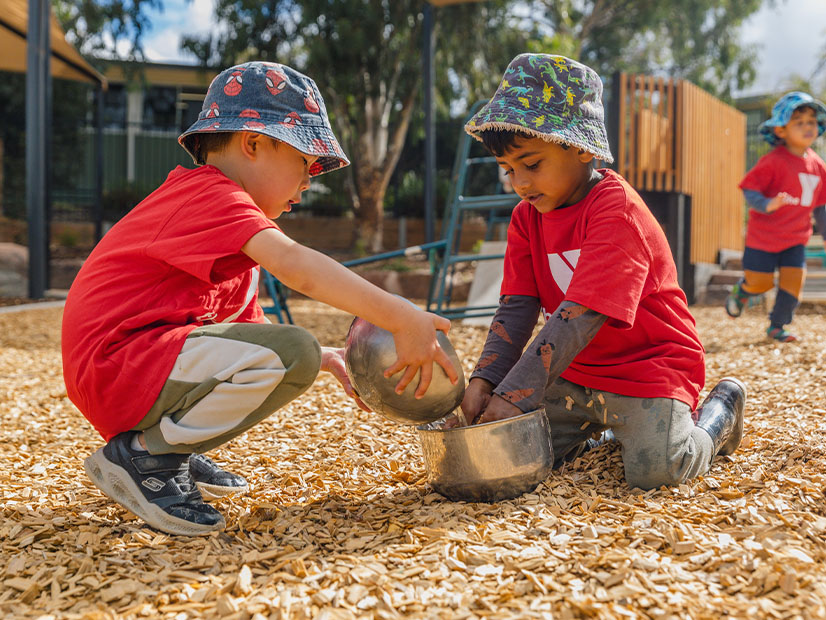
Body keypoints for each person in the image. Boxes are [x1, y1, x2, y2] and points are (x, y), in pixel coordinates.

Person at [62, 61, 459, 536]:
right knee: (296, 353)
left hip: (125, 368)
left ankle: (166, 447)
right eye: (304, 161)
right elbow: (297, 267)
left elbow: (249, 334)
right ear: (253, 143)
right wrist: (400, 315)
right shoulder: (212, 195)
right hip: (118, 365)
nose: (310, 180)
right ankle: (147, 457)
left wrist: (331, 356)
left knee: (294, 352)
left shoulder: (224, 229)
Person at [456, 53, 746, 490]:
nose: (519, 182)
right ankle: (611, 432)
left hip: (649, 367)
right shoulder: (525, 218)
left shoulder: (617, 211)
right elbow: (516, 307)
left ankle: (718, 415)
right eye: (509, 169)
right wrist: (487, 378)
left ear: (582, 147)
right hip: (575, 371)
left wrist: (515, 395)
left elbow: (583, 313)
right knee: (515, 455)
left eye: (532, 164)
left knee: (658, 471)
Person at [725, 91, 826, 342]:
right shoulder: (773, 161)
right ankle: (743, 291)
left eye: (811, 121)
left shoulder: (819, 166)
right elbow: (749, 188)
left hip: (795, 239)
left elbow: (821, 206)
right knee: (761, 283)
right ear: (781, 130)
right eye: (799, 122)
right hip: (764, 239)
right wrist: (767, 203)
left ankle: (777, 326)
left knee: (794, 283)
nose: (807, 126)